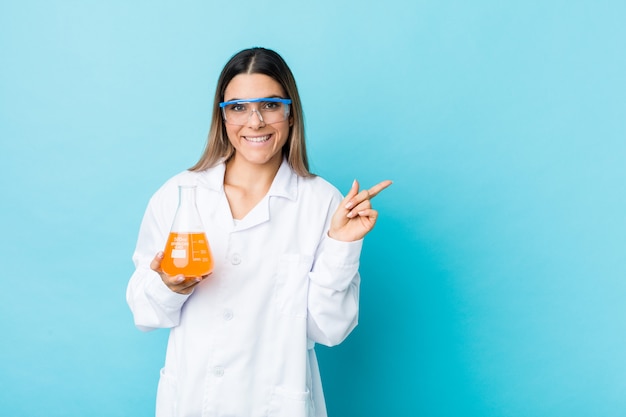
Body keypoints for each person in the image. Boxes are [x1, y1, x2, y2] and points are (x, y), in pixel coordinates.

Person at [126, 47, 392, 417]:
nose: (255, 122)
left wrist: (341, 247)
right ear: (222, 117)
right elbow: (144, 311)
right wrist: (167, 286)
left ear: (290, 113)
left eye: (269, 105)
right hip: (193, 401)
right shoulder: (179, 194)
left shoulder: (323, 203)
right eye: (238, 107)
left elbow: (329, 330)